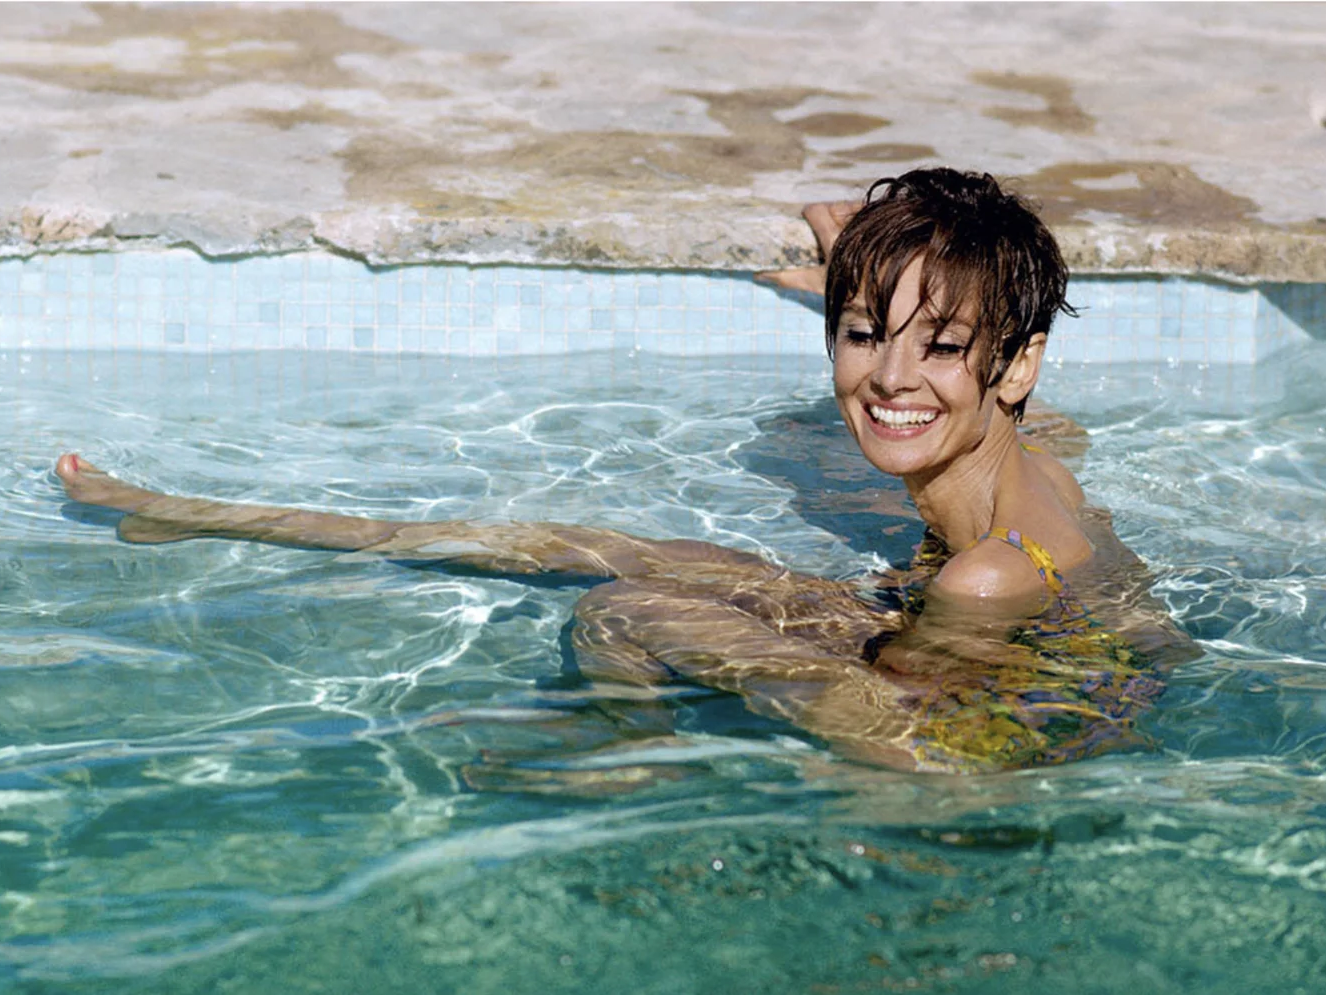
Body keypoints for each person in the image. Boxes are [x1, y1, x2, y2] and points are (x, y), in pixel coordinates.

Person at [54, 168, 1190, 773]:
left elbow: (908, 735)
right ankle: (199, 514)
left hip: (974, 736)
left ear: (1015, 360)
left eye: (939, 343)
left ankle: (628, 756)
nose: (889, 378)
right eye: (861, 329)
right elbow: (1006, 409)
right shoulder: (1022, 457)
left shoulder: (984, 572)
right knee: (586, 540)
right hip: (1003, 652)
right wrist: (877, 278)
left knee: (629, 600)